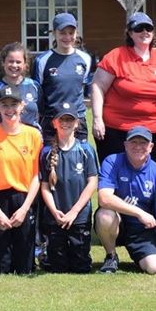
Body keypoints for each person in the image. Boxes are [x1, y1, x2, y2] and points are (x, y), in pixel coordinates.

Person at [91, 12, 156, 188]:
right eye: (139, 28)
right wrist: (97, 118)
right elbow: (98, 86)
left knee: (147, 180)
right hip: (117, 131)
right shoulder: (116, 56)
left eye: (148, 28)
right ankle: (112, 213)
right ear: (130, 33)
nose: (144, 32)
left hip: (155, 132)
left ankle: (147, 214)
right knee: (115, 178)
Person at [0, 86, 43, 274]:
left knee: (24, 268)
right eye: (4, 105)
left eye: (14, 104)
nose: (9, 109)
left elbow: (36, 177)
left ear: (22, 106)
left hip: (23, 198)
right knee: (0, 268)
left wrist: (24, 209)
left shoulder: (33, 135)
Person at [95, 126, 156, 274]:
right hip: (117, 222)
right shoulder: (112, 161)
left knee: (154, 267)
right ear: (125, 145)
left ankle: (139, 253)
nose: (138, 146)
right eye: (133, 142)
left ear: (151, 147)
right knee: (105, 215)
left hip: (142, 230)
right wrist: (139, 213)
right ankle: (111, 256)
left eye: (143, 143)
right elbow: (104, 198)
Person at [39, 111, 100, 273]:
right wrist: (54, 211)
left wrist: (74, 211)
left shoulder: (86, 150)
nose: (65, 123)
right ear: (54, 123)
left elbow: (92, 182)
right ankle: (46, 256)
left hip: (79, 216)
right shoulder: (46, 153)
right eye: (62, 120)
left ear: (77, 124)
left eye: (69, 120)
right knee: (58, 267)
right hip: (55, 217)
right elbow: (44, 187)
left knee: (81, 266)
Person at [32, 13, 94, 142]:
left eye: (71, 33)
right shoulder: (42, 60)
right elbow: (36, 94)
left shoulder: (85, 59)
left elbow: (85, 88)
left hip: (77, 120)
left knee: (78, 160)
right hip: (51, 120)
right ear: (54, 33)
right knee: (51, 160)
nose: (67, 37)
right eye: (63, 33)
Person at [0, 42, 41, 128]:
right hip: (4, 139)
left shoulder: (34, 86)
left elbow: (41, 113)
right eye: (10, 61)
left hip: (31, 138)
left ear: (25, 64)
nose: (14, 65)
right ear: (3, 62)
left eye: (18, 62)